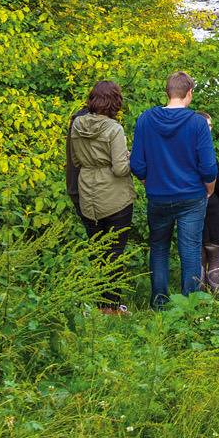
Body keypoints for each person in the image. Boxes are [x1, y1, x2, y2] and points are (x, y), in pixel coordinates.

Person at [130, 71, 218, 309]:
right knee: (189, 249)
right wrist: (208, 189)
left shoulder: (146, 119)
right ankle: (188, 306)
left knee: (159, 247)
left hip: (158, 196)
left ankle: (159, 302)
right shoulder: (197, 122)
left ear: (167, 92)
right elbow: (209, 167)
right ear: (189, 93)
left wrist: (150, 181)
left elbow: (137, 164)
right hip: (191, 196)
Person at [67, 80, 134, 314]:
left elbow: (76, 161)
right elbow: (119, 169)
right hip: (114, 196)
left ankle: (99, 304)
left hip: (87, 193)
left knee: (97, 251)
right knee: (115, 252)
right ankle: (113, 307)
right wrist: (129, 157)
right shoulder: (114, 129)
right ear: (115, 101)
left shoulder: (77, 125)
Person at [196, 110, 219, 297]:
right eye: (208, 127)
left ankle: (199, 299)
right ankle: (216, 297)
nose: (209, 131)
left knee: (200, 256)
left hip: (197, 211)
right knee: (215, 256)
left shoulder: (183, 154)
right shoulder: (208, 157)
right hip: (211, 209)